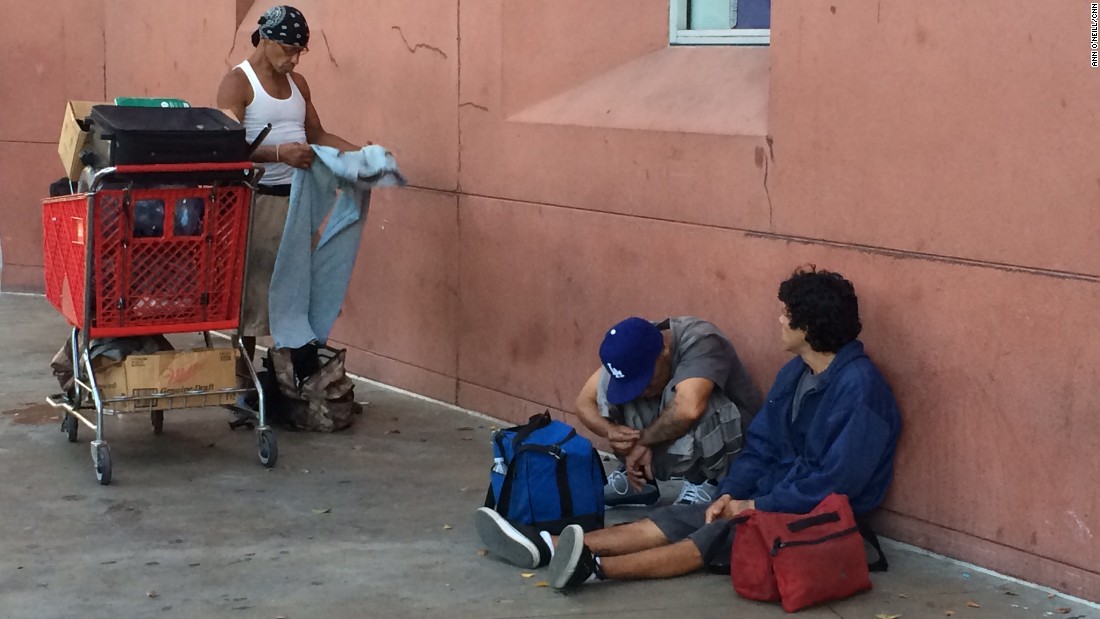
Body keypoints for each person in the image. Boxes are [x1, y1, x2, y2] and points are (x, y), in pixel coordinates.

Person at [474, 267, 902, 590]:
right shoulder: (796, 372)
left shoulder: (860, 390)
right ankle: (550, 543)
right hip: (772, 492)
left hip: (818, 516)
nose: (779, 321)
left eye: (786, 315)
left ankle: (595, 568)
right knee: (686, 513)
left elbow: (835, 484)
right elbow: (761, 446)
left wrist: (755, 505)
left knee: (717, 531)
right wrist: (732, 492)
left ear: (808, 328)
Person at [215, 5, 360, 415]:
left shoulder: (297, 83)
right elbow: (228, 149)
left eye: (300, 51)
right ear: (266, 38)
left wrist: (362, 156)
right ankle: (241, 382)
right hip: (259, 200)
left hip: (299, 203)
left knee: (296, 291)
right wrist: (278, 152)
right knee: (254, 294)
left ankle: (291, 377)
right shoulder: (237, 84)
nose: (294, 59)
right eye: (289, 49)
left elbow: (319, 135)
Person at [575, 316, 762, 507]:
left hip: (738, 442)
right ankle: (641, 478)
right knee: (611, 391)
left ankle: (709, 483)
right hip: (665, 440)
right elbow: (583, 403)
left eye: (647, 381)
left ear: (664, 349)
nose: (644, 391)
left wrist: (643, 441)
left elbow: (688, 410)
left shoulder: (700, 338)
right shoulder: (631, 349)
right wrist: (610, 431)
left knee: (695, 402)